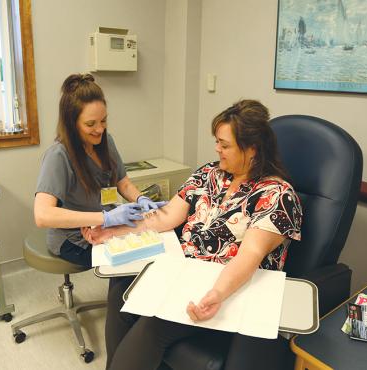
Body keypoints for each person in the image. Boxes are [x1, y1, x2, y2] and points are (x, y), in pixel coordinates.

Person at [83, 99, 303, 370]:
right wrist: (113, 230)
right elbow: (166, 217)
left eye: (225, 145)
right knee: (120, 293)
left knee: (154, 325)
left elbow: (250, 256)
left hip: (230, 288)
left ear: (252, 149)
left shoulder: (277, 196)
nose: (217, 149)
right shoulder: (208, 174)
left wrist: (217, 294)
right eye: (217, 142)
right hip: (184, 274)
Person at [34, 73, 165, 268]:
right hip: (73, 239)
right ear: (72, 123)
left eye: (103, 121)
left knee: (153, 246)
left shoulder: (106, 142)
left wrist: (141, 199)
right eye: (90, 124)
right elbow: (43, 215)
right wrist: (105, 217)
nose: (100, 129)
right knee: (131, 262)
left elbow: (123, 182)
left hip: (106, 226)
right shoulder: (58, 156)